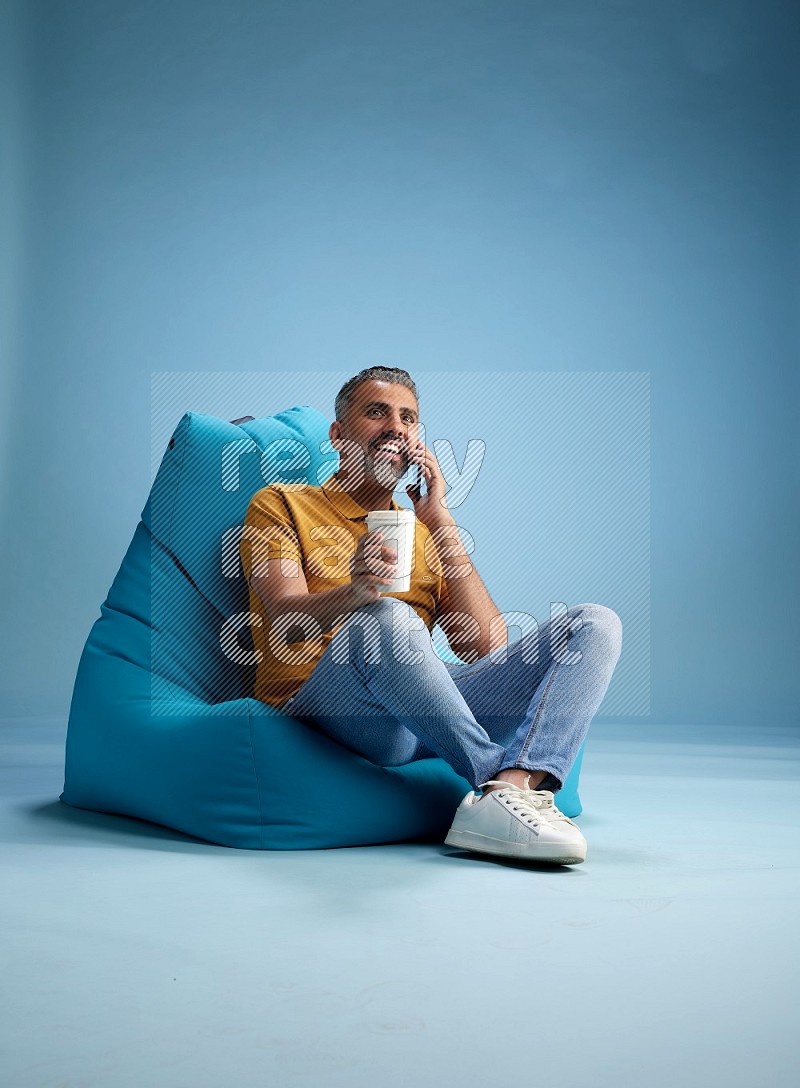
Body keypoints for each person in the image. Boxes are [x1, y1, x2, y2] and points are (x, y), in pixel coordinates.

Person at [239, 366, 623, 865]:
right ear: (337, 434)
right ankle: (492, 786)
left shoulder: (422, 532)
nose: (396, 426)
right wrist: (354, 593)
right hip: (324, 706)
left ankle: (517, 784)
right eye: (377, 412)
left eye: (409, 418)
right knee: (385, 618)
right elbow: (283, 613)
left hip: (419, 718)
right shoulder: (282, 503)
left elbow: (485, 646)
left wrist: (439, 519)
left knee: (594, 623)